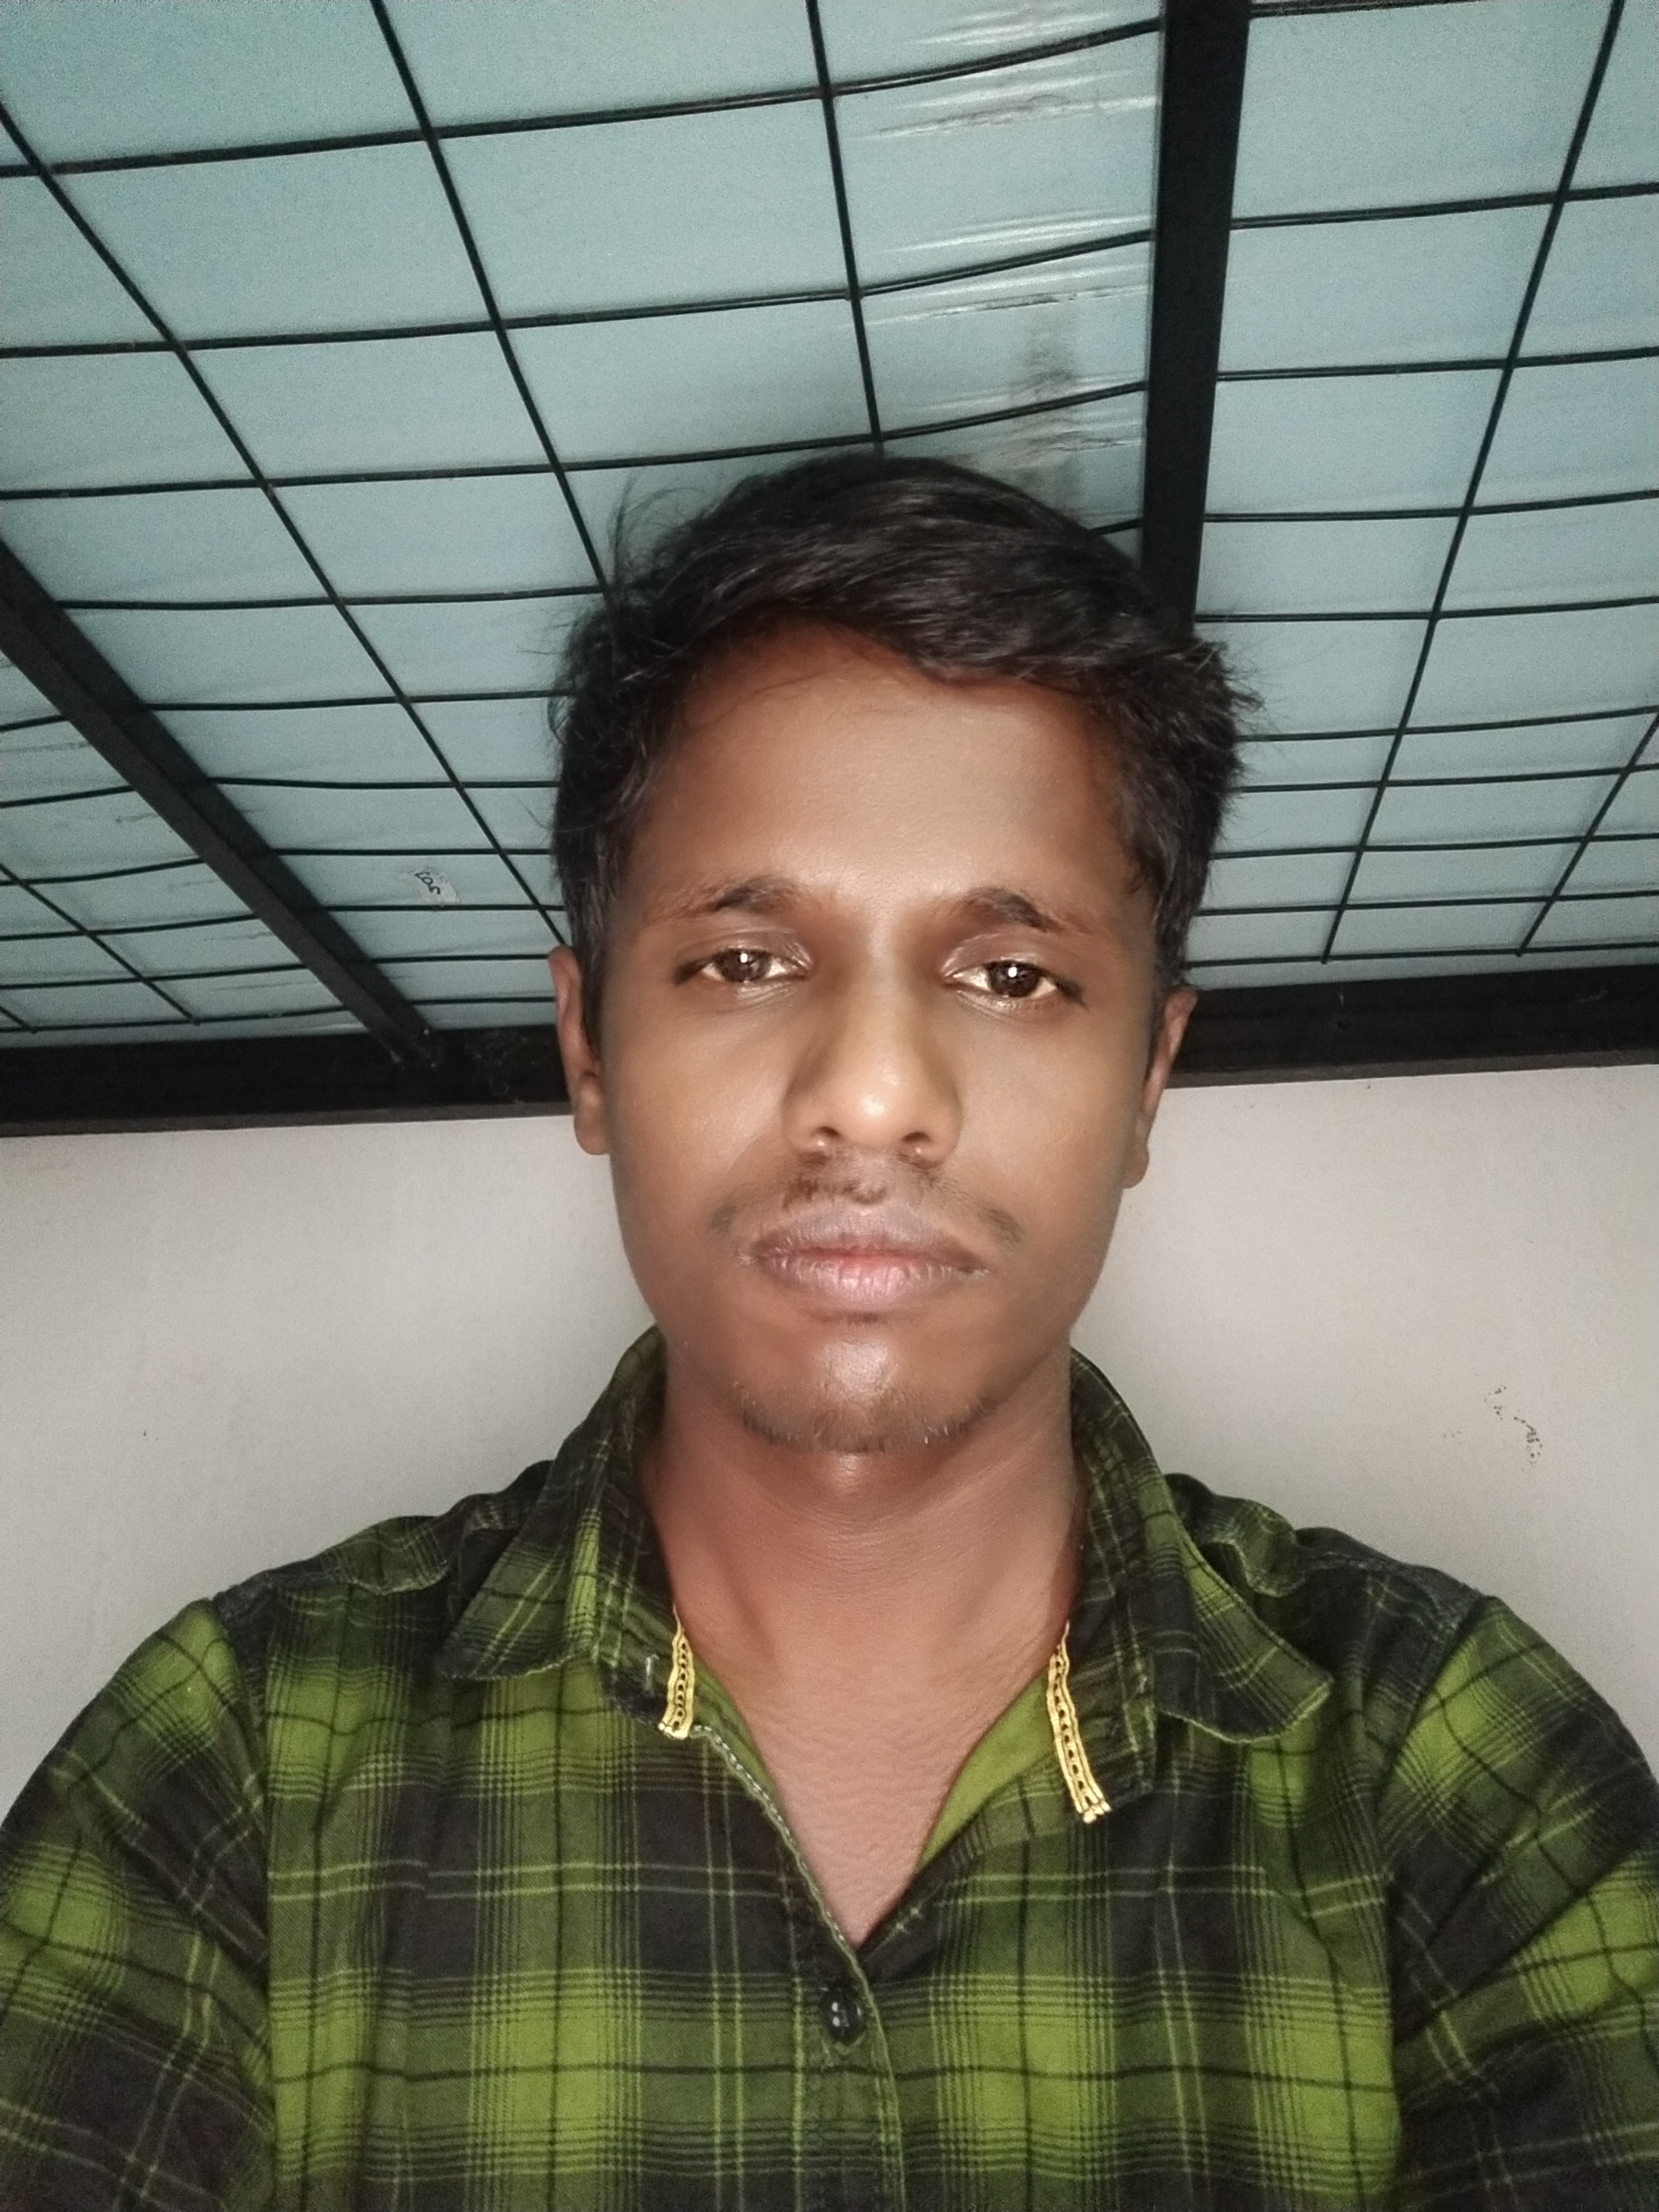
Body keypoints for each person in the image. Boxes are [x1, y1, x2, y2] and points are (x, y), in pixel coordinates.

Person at [2, 456, 1654, 2210]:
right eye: (744, 961)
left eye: (1012, 975)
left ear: (1148, 1080)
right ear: (588, 1050)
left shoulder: (1449, 1762)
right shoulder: (241, 1759)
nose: (870, 1096)